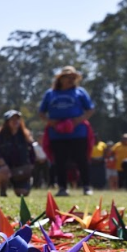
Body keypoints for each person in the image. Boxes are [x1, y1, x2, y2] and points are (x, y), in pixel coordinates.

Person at [39, 66, 95, 196]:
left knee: (82, 159)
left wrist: (77, 120)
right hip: (57, 134)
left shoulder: (80, 92)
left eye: (73, 78)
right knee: (60, 162)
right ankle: (62, 188)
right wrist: (50, 122)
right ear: (61, 78)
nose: (71, 80)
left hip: (78, 132)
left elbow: (90, 110)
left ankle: (86, 186)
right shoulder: (50, 93)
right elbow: (41, 112)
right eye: (68, 77)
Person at [0, 110, 36, 197]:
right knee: (3, 172)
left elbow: (32, 152)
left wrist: (31, 166)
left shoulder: (25, 135)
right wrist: (3, 165)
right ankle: (3, 190)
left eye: (17, 119)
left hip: (20, 169)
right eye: (12, 119)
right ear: (7, 122)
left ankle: (26, 183)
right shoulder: (0, 135)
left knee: (23, 193)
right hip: (6, 169)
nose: (15, 121)